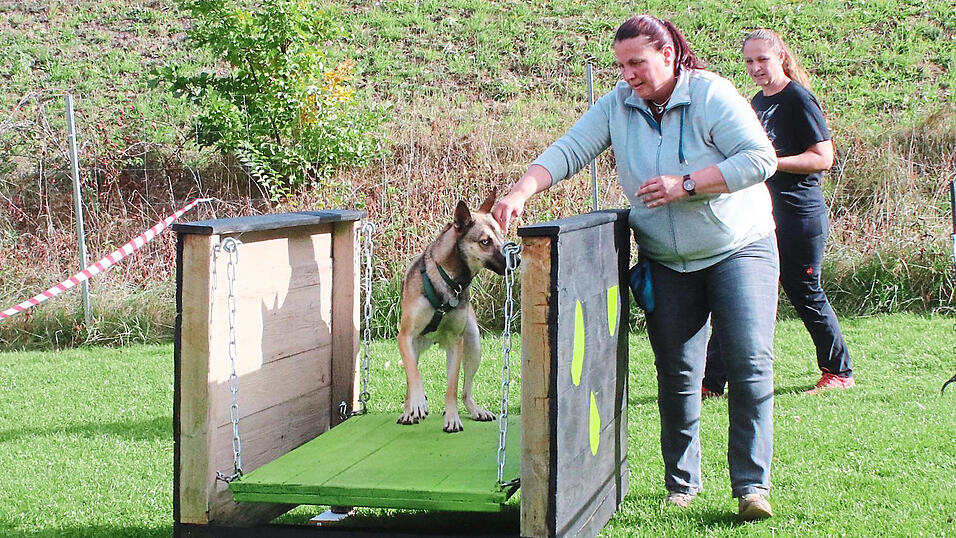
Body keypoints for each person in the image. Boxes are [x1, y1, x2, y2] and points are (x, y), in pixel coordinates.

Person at [492, 15, 779, 521]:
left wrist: (687, 185)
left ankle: (752, 487)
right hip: (667, 262)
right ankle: (682, 483)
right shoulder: (616, 107)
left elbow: (761, 158)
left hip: (740, 246)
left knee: (749, 362)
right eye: (622, 65)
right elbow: (569, 150)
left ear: (668, 55)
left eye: (637, 63)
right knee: (678, 372)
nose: (628, 75)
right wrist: (521, 190)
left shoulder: (710, 95)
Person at [701, 29, 855, 400]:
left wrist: (771, 164)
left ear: (781, 57)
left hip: (800, 215)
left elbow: (823, 158)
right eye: (749, 61)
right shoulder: (758, 101)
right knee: (739, 289)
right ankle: (710, 382)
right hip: (762, 214)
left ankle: (839, 371)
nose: (755, 67)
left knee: (805, 291)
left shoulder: (797, 99)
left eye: (762, 59)